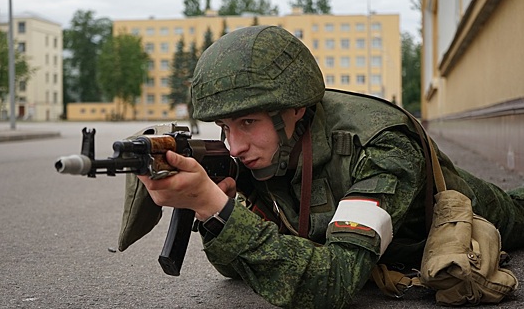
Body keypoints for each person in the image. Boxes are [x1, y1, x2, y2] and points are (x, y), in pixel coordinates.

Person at [129, 25, 524, 308]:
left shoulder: (381, 146)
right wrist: (216, 210)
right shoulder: (266, 153)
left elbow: (331, 284)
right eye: (225, 127)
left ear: (295, 111)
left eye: (248, 123)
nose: (235, 145)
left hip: (458, 210)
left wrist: (218, 209)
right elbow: (235, 270)